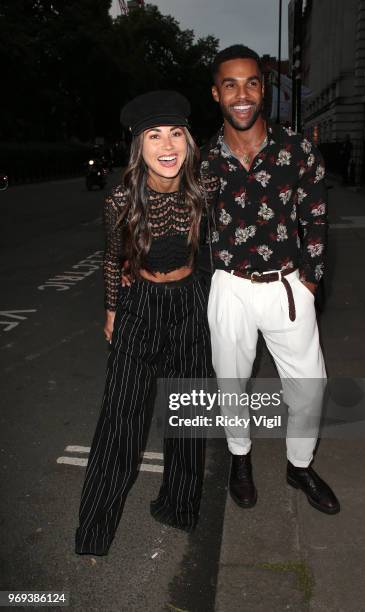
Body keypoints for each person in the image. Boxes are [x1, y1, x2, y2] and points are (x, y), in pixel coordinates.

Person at [75, 91, 219, 556]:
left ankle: (179, 506)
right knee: (120, 420)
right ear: (139, 146)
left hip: (191, 306)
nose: (167, 144)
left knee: (190, 415)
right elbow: (111, 258)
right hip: (140, 306)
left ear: (188, 140)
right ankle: (94, 532)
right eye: (154, 135)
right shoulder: (120, 199)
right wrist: (113, 311)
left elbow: (211, 258)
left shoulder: (202, 191)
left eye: (176, 133)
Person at [201, 45, 340, 514]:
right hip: (230, 287)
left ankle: (298, 466)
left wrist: (311, 281)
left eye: (251, 83)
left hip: (287, 285)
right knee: (231, 382)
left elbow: (316, 220)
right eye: (230, 85)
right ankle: (240, 458)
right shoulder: (202, 162)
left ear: (264, 90)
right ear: (216, 93)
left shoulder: (297, 150)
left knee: (310, 385)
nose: (242, 95)